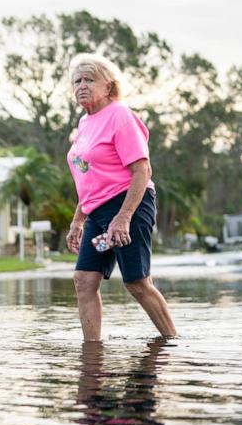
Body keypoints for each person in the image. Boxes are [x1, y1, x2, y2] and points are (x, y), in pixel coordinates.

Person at [65, 53, 177, 342]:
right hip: (98, 211)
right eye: (77, 81)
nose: (82, 86)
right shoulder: (85, 124)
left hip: (128, 204)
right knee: (84, 281)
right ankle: (92, 351)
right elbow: (90, 178)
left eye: (90, 79)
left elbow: (142, 170)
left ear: (109, 86)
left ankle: (173, 342)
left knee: (137, 283)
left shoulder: (120, 115)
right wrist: (78, 220)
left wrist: (123, 217)